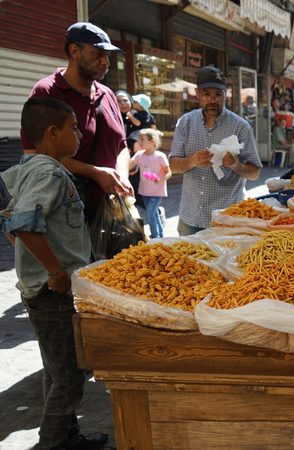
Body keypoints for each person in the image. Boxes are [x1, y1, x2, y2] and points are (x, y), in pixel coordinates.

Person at [1, 97, 108, 450]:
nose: (79, 134)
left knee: (57, 369)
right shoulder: (48, 172)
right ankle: (52, 443)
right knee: (69, 377)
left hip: (45, 291)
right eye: (73, 128)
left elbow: (12, 223)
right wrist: (55, 269)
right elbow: (23, 224)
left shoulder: (33, 168)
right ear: (52, 133)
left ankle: (67, 437)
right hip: (53, 295)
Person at [22, 22, 133, 223]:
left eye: (107, 56)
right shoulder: (47, 91)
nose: (106, 62)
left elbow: (122, 146)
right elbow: (35, 157)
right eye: (98, 54)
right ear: (74, 51)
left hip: (112, 214)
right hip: (66, 216)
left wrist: (122, 178)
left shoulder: (107, 94)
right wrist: (95, 173)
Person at [168, 65, 262, 236]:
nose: (212, 100)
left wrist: (235, 164)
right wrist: (192, 161)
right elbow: (173, 166)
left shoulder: (240, 127)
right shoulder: (186, 123)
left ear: (226, 94)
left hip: (227, 219)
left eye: (218, 94)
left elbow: (255, 173)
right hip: (190, 217)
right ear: (197, 94)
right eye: (206, 94)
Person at [131, 129, 170, 239]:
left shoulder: (160, 156)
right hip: (144, 191)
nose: (139, 141)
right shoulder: (139, 155)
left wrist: (161, 180)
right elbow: (129, 165)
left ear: (152, 141)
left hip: (157, 192)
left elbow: (169, 172)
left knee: (150, 214)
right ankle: (161, 234)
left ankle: (155, 236)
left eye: (142, 139)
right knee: (154, 214)